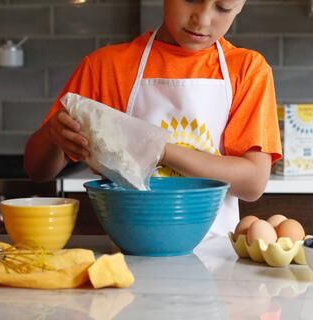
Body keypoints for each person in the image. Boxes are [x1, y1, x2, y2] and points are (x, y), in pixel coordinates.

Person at [24, 0, 282, 236]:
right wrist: (52, 135)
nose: (202, 20)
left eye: (223, 8)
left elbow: (253, 183)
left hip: (215, 254)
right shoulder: (106, 67)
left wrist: (158, 150)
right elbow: (37, 170)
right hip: (127, 253)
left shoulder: (248, 70)